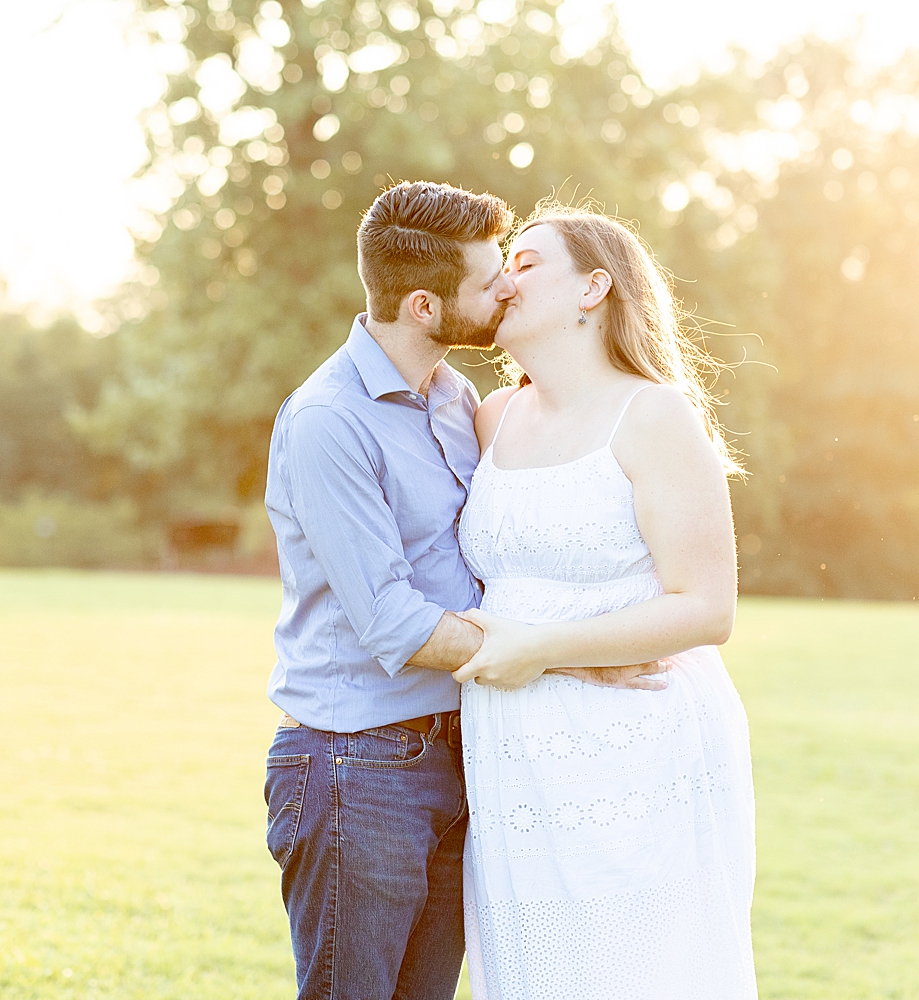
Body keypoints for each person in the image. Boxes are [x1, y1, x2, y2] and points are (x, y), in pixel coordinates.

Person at [261, 182, 662, 1000]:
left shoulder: (456, 399)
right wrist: (573, 664)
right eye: (488, 281)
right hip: (355, 768)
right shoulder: (327, 421)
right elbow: (395, 623)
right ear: (423, 305)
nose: (507, 288)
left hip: (459, 752)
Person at [453, 201, 758, 999]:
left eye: (525, 262)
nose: (501, 279)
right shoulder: (490, 418)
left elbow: (707, 609)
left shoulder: (652, 415)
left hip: (636, 744)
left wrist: (545, 650)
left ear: (594, 288)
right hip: (512, 752)